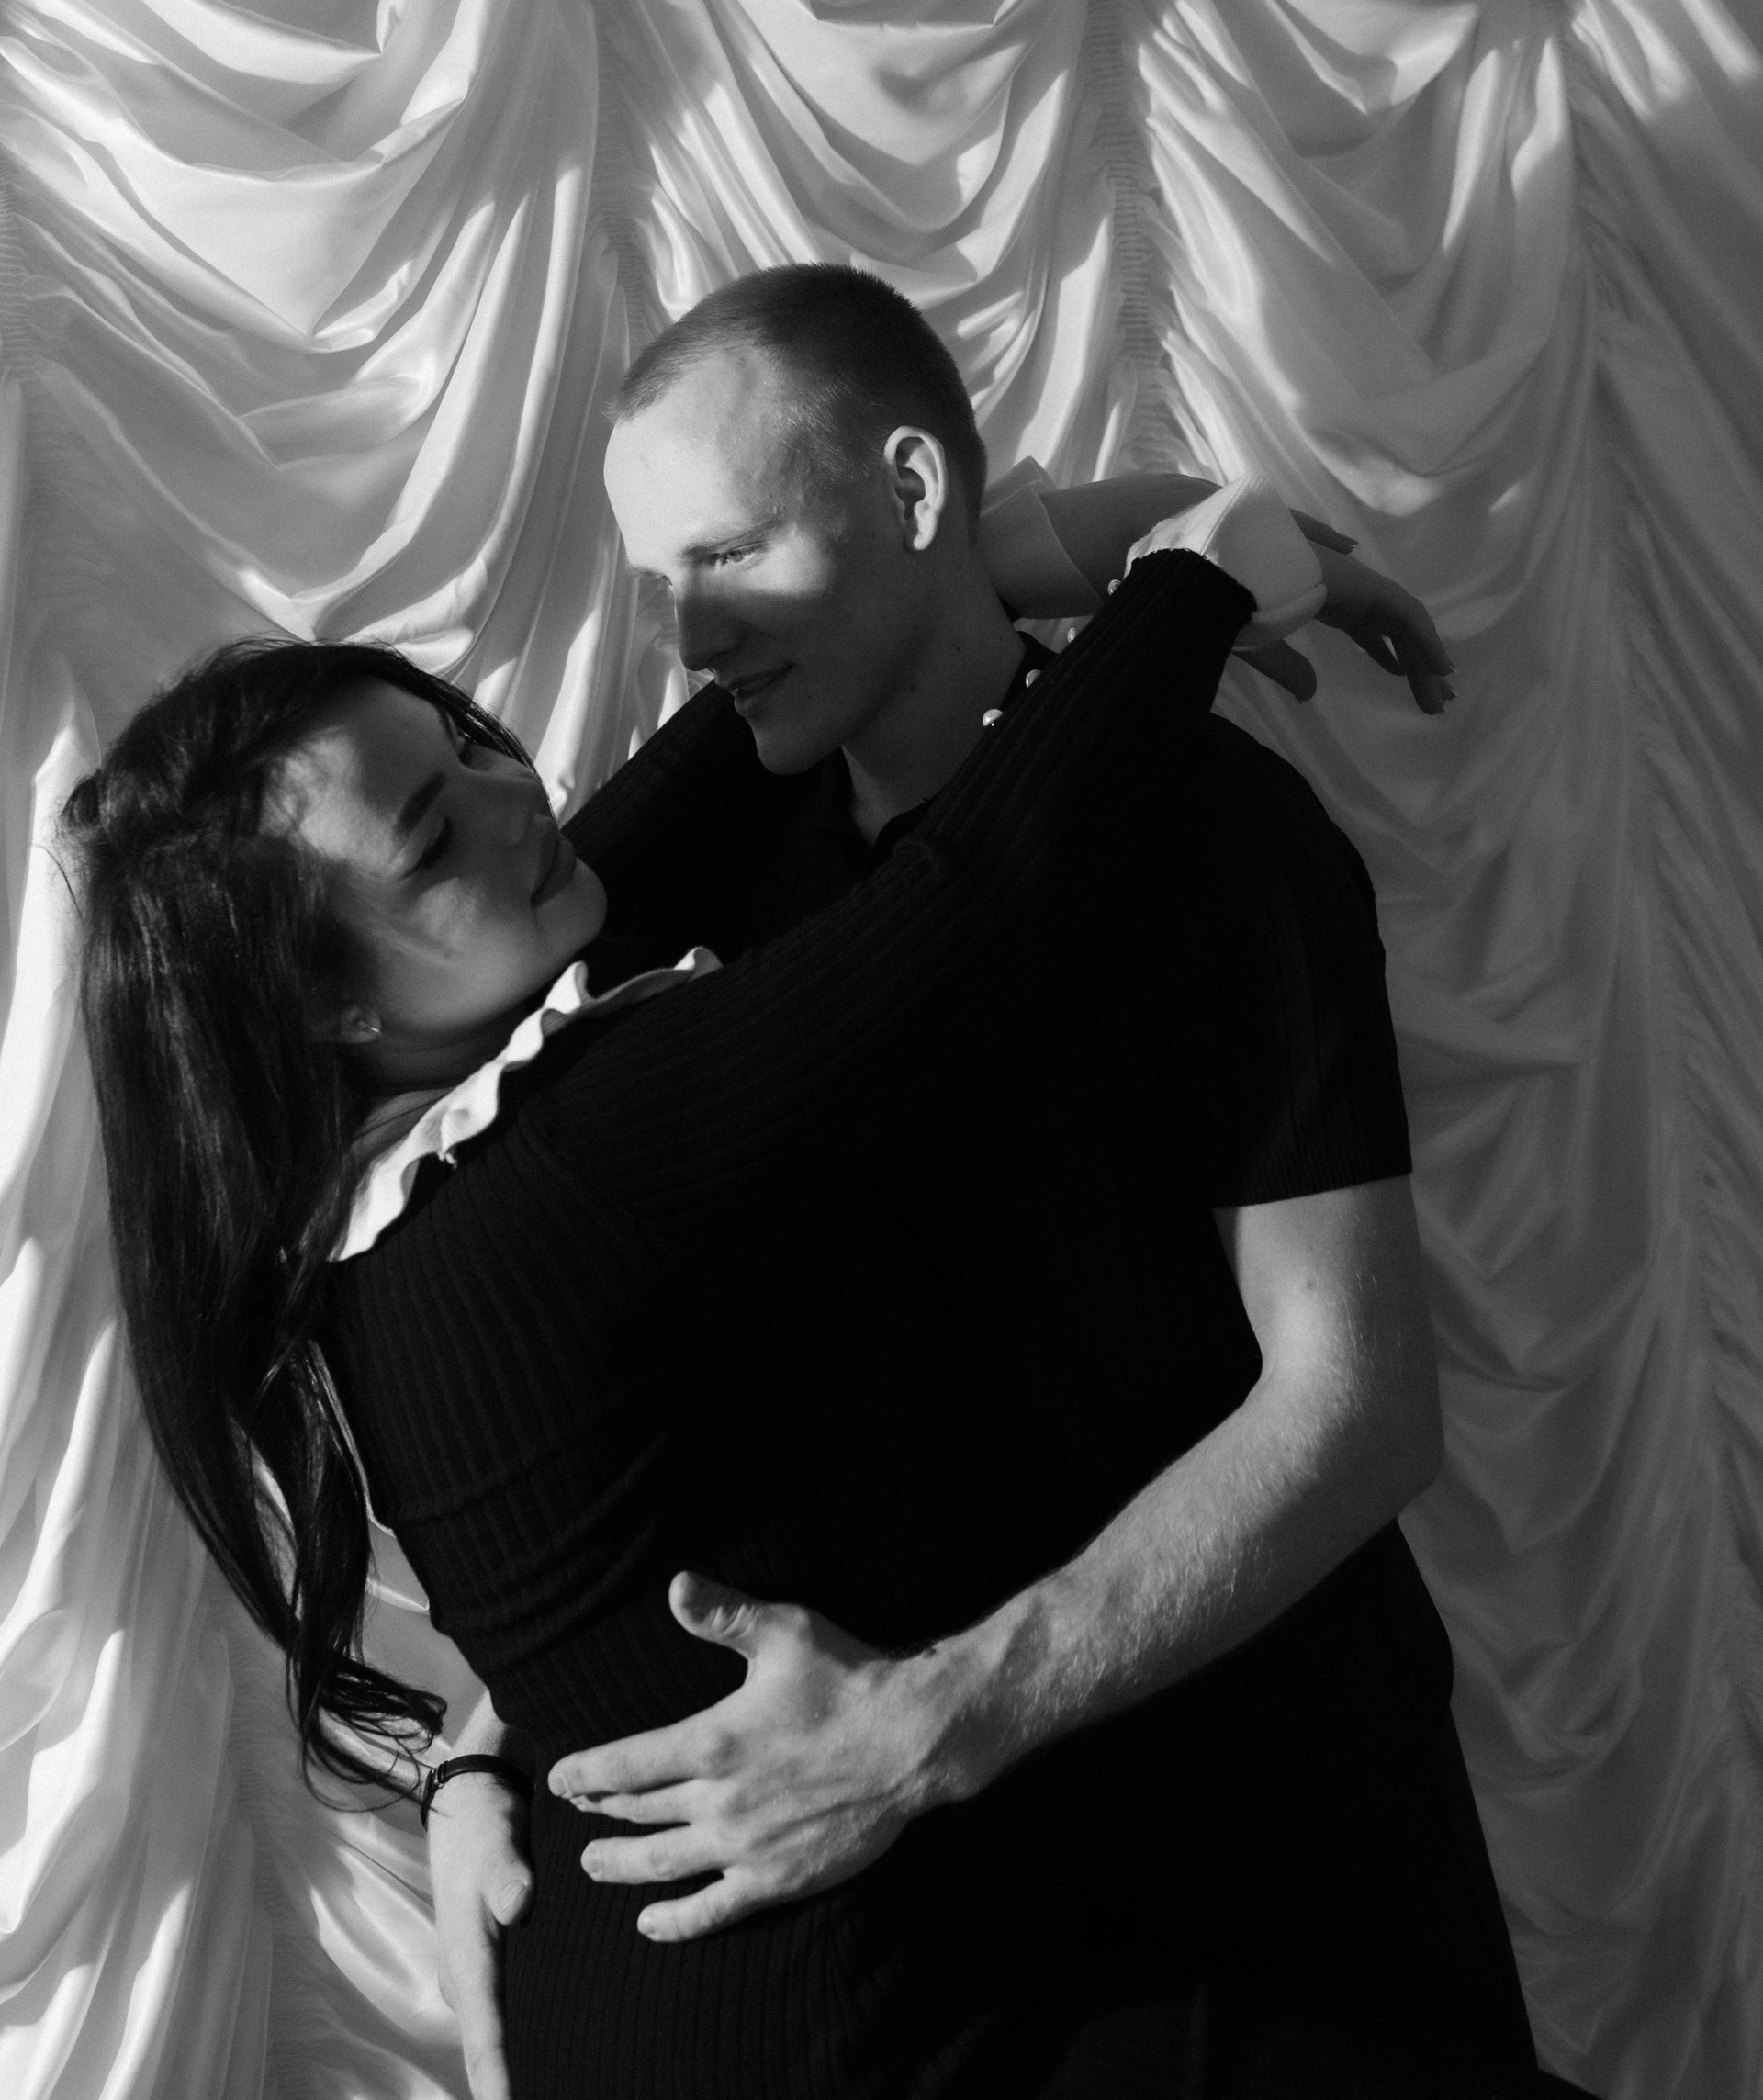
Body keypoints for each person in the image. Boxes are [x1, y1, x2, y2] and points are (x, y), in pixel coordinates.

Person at [68, 441, 1394, 2095]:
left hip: (725, 1994)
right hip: (835, 2035)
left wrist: (972, 562)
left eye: (471, 741)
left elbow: (681, 788)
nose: (516, 799)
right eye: (431, 836)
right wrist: (1205, 573)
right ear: (323, 1005)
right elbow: (977, 894)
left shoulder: (379, 1203)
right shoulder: (578, 1150)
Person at [412, 271, 1570, 2094]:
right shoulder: (711, 881)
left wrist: (936, 1718)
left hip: (1262, 1815)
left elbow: (1358, 1409)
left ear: (909, 492)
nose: (689, 638)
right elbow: (566, 1342)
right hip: (927, 1920)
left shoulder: (1218, 839)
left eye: (730, 557)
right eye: (662, 584)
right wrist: (485, 1740)